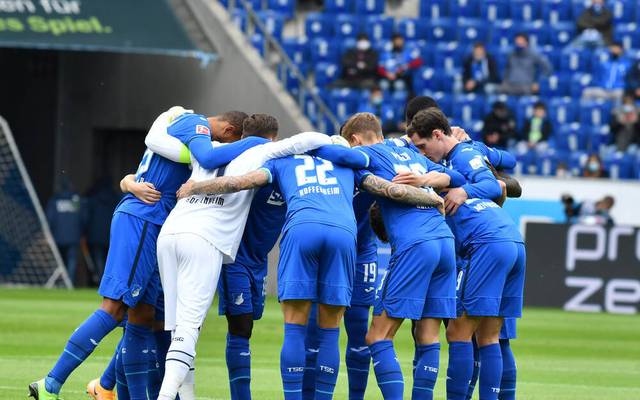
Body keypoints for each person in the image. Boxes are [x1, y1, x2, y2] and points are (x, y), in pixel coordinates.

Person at [181, 127, 446, 400]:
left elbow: (239, 182)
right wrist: (431, 197)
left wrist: (195, 187)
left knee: (295, 326)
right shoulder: (345, 162)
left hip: (303, 227)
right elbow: (390, 190)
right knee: (330, 330)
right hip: (344, 233)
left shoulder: (282, 160)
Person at [29, 106, 250, 400]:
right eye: (232, 142)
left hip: (156, 225)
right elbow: (207, 157)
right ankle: (51, 384)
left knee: (148, 317)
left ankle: (116, 391)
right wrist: (257, 143)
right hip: (144, 219)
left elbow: (143, 169)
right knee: (115, 306)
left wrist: (128, 182)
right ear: (229, 131)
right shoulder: (196, 125)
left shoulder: (179, 134)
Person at [156, 123, 340, 400]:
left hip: (180, 235)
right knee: (222, 327)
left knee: (183, 326)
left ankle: (184, 395)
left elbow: (157, 140)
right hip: (223, 249)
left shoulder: (211, 150)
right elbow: (304, 139)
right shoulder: (266, 156)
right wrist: (341, 146)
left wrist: (130, 180)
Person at [340, 113, 466, 400]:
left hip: (415, 244)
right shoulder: (413, 156)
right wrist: (424, 181)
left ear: (355, 139)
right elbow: (457, 177)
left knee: (377, 335)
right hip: (445, 242)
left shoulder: (365, 153)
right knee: (428, 337)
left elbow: (338, 156)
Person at [406, 108, 526, 400]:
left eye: (423, 147)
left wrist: (464, 191)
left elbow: (490, 182)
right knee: (490, 336)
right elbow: (507, 161)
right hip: (512, 239)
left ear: (438, 134)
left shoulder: (462, 155)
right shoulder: (456, 163)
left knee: (458, 332)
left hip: (486, 243)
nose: (423, 154)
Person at [45, 176, 84, 285]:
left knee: (59, 261)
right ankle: (69, 283)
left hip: (58, 236)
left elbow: (49, 218)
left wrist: (49, 234)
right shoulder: (76, 200)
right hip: (73, 235)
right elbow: (82, 217)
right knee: (71, 260)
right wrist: (82, 232)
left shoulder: (55, 201)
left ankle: (59, 283)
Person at [84, 177, 122, 280]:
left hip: (95, 234)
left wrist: (84, 231)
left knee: (98, 257)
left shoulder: (93, 200)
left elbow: (87, 217)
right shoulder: (116, 198)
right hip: (112, 233)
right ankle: (109, 280)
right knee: (110, 258)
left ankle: (101, 280)